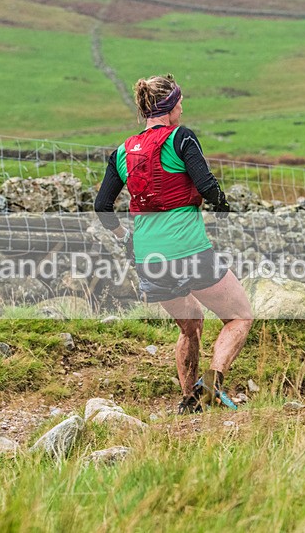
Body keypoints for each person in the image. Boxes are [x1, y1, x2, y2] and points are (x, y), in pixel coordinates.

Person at [94, 73, 253, 414]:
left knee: (191, 322)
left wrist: (125, 238)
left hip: (148, 257)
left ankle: (188, 401)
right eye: (180, 100)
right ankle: (211, 385)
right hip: (188, 251)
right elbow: (207, 185)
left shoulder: (122, 151)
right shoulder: (181, 138)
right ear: (170, 106)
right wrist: (223, 206)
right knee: (239, 317)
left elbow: (101, 206)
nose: (183, 106)